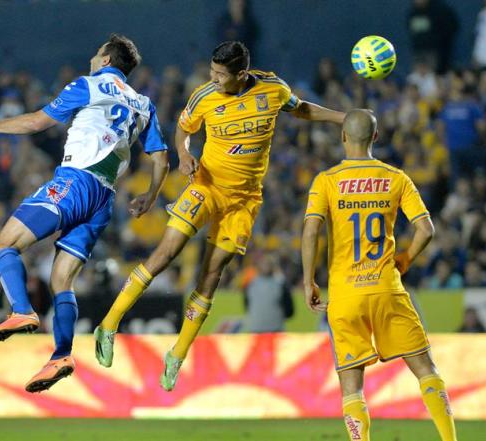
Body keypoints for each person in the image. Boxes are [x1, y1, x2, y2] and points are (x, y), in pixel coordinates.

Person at [94, 40, 345, 391]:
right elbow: (184, 129)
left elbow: (299, 108)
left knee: (212, 274)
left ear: (241, 74)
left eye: (219, 74)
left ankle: (178, 354)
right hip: (206, 186)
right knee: (166, 254)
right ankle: (108, 324)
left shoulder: (272, 89)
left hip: (244, 202)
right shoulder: (204, 96)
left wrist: (341, 118)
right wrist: (183, 154)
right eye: (210, 71)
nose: (212, 79)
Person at [0, 34, 169, 393]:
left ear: (107, 59)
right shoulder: (143, 104)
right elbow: (161, 158)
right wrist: (151, 196)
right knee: (62, 281)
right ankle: (61, 354)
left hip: (75, 183)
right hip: (103, 200)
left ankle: (21, 309)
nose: (91, 58)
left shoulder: (89, 85)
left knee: (4, 245)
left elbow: (35, 123)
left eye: (96, 53)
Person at [301, 110, 457, 441]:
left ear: (343, 136)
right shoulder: (396, 177)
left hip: (345, 295)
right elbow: (426, 229)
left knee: (352, 384)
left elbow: (311, 230)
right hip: (387, 287)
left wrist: (308, 280)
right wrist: (406, 259)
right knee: (426, 370)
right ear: (375, 137)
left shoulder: (326, 181)